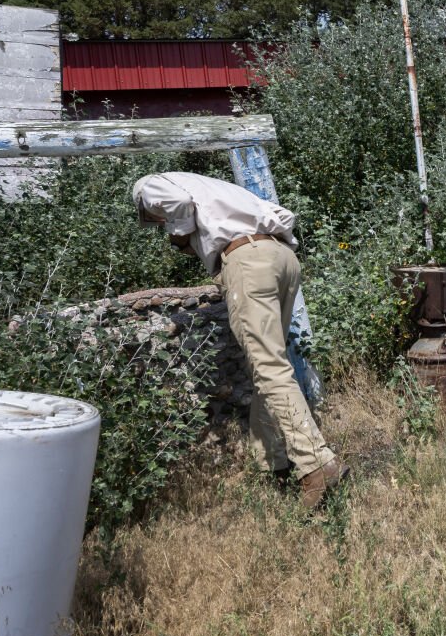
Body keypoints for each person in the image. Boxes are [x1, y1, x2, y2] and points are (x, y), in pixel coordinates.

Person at [131, 171, 346, 509]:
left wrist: (178, 237)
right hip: (282, 258)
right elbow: (283, 214)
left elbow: (178, 204)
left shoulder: (150, 185)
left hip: (247, 262)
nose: (158, 221)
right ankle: (274, 463)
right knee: (269, 367)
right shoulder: (223, 190)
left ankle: (317, 464)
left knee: (269, 368)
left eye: (154, 218)